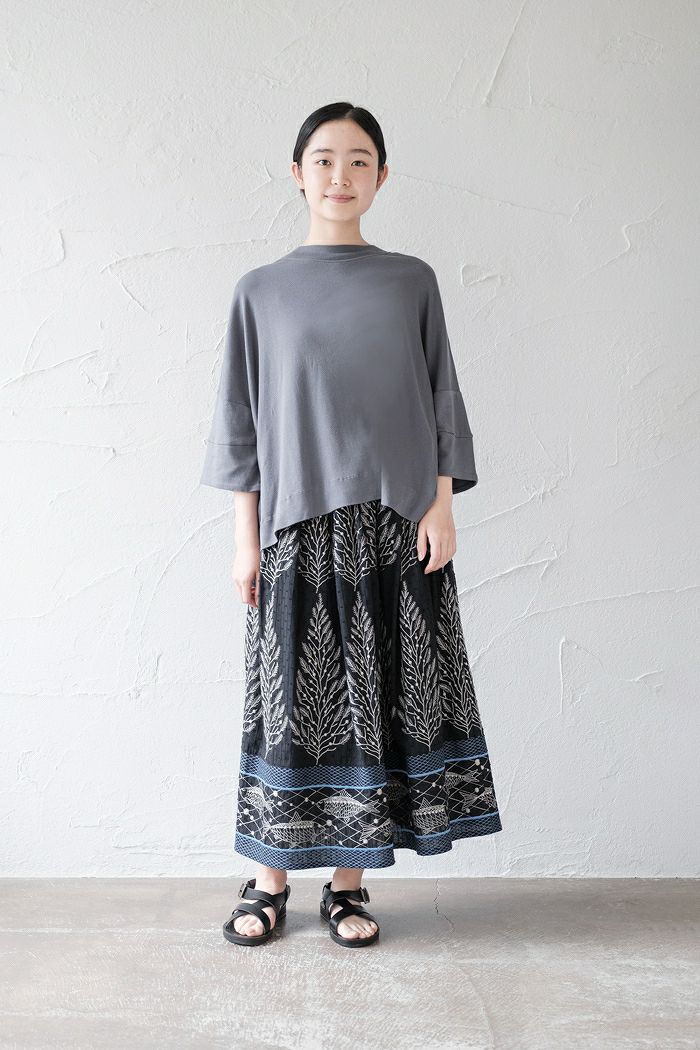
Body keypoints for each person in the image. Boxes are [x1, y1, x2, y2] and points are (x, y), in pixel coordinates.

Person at [200, 101, 503, 948]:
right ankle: (268, 880)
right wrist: (244, 540)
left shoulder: (411, 280)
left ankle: (347, 885)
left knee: (377, 703)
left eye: (360, 160)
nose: (342, 175)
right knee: (291, 707)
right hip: (296, 527)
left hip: (396, 523)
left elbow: (440, 393)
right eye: (326, 160)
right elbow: (239, 420)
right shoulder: (260, 291)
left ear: (382, 176)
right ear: (298, 174)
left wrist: (442, 504)